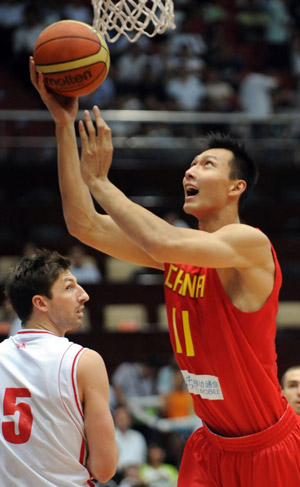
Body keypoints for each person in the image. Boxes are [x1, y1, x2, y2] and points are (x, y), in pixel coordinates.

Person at [30, 58, 300, 487]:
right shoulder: (181, 255)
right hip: (209, 445)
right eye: (190, 164)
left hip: (266, 446)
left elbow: (165, 241)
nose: (190, 171)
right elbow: (84, 224)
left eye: (207, 164)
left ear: (236, 187)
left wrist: (101, 183)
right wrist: (64, 125)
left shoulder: (250, 244)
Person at [0, 248, 118, 486]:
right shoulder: (85, 361)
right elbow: (104, 469)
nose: (83, 295)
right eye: (69, 287)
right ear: (41, 303)